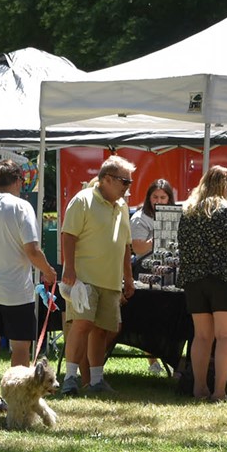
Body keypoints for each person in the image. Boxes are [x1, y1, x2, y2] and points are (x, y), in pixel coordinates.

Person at [0, 160, 58, 414]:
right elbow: (32, 249)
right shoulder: (22, 206)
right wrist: (48, 271)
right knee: (21, 347)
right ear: (19, 181)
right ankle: (18, 400)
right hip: (16, 288)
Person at [179, 166, 227, 402]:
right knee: (226, 337)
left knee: (201, 337)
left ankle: (199, 388)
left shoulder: (189, 211)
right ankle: (219, 392)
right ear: (226, 187)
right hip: (225, 280)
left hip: (194, 280)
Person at [59, 156, 135, 396]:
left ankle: (96, 380)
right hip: (84, 279)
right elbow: (68, 235)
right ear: (107, 179)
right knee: (81, 325)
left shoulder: (121, 206)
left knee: (102, 330)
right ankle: (70, 378)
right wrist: (69, 268)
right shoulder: (82, 200)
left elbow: (125, 245)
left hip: (110, 281)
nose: (128, 187)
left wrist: (128, 278)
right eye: (125, 181)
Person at [130, 180, 175, 376]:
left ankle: (173, 360)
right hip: (146, 273)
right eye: (155, 197)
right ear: (149, 197)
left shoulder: (175, 215)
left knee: (170, 319)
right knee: (151, 317)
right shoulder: (140, 218)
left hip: (171, 271)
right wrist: (161, 235)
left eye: (162, 197)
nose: (158, 201)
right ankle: (153, 361)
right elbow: (137, 247)